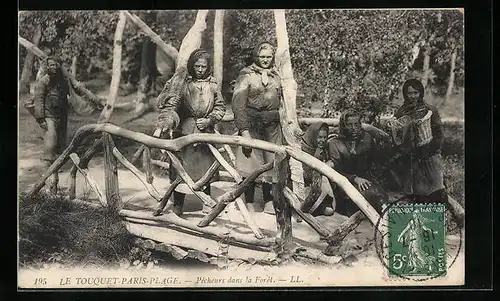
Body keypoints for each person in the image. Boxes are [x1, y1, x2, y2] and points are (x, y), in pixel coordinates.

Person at [155, 49, 226, 216]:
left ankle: (206, 203)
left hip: (205, 132)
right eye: (197, 66)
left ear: (208, 67)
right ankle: (178, 204)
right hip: (185, 131)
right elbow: (173, 106)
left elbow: (220, 107)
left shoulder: (213, 85)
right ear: (191, 66)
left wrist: (210, 119)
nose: (200, 69)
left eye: (203, 66)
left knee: (204, 168)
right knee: (181, 168)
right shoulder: (182, 84)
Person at [231, 41, 283, 214]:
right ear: (256, 56)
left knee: (272, 162)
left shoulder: (277, 75)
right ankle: (250, 202)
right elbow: (238, 105)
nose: (266, 60)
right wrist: (245, 132)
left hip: (272, 125)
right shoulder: (246, 75)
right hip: (251, 124)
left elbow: (284, 101)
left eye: (269, 57)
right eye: (262, 57)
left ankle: (269, 201)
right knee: (250, 163)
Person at [389, 79, 447, 204]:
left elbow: (439, 135)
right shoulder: (402, 112)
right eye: (410, 93)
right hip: (412, 158)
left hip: (430, 155)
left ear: (421, 93)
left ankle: (441, 219)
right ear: (405, 94)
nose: (413, 96)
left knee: (437, 190)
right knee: (417, 192)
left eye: (416, 93)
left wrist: (430, 150)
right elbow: (398, 135)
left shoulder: (430, 110)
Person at [327, 110, 388, 216]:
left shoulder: (367, 138)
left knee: (379, 197)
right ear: (343, 125)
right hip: (344, 181)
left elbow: (376, 160)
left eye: (356, 124)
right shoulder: (335, 143)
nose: (354, 128)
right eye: (349, 125)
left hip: (366, 179)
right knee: (363, 198)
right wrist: (355, 178)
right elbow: (336, 170)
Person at [32, 56, 71, 194]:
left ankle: (54, 186)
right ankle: (46, 185)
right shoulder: (44, 82)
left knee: (58, 152)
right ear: (47, 67)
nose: (53, 68)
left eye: (56, 65)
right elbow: (38, 100)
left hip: (60, 119)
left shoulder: (62, 83)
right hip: (48, 119)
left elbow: (69, 96)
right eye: (51, 65)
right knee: (49, 151)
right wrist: (41, 119)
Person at [300, 122, 335, 216]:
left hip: (316, 182)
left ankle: (323, 203)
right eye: (319, 137)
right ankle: (312, 206)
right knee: (323, 176)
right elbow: (303, 172)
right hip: (303, 184)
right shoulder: (303, 147)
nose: (322, 140)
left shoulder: (324, 148)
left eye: (325, 137)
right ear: (313, 136)